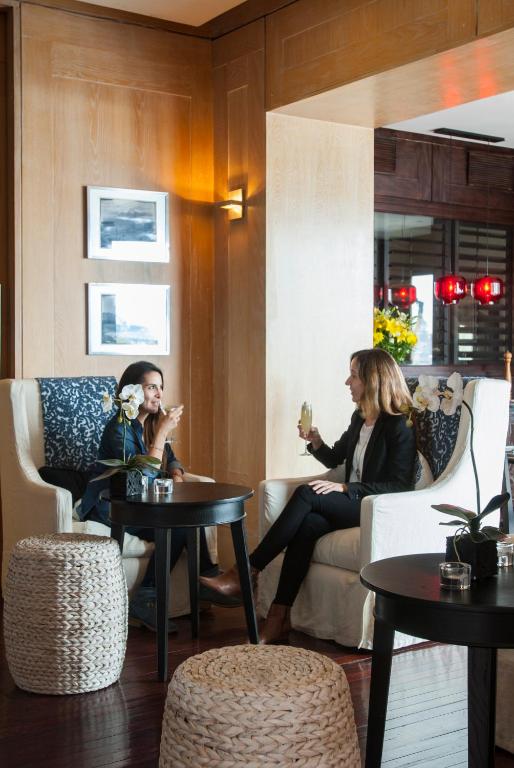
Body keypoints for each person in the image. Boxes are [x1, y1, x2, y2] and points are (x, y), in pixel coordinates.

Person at [200, 348, 417, 644]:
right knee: (308, 525)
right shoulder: (360, 418)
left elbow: (399, 486)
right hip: (352, 502)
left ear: (372, 380)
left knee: (307, 493)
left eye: (353, 376)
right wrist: (315, 442)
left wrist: (346, 489)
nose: (347, 382)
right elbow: (335, 458)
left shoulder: (398, 425)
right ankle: (279, 616)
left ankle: (246, 572)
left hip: (371, 506)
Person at [79, 360, 224, 633]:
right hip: (113, 506)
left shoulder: (151, 423)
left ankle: (203, 581)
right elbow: (140, 478)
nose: (159, 394)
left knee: (188, 520)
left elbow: (171, 457)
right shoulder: (119, 429)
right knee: (177, 526)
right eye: (151, 387)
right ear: (132, 391)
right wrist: (163, 433)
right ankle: (186, 586)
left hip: (144, 504)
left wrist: (177, 475)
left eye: (161, 387)